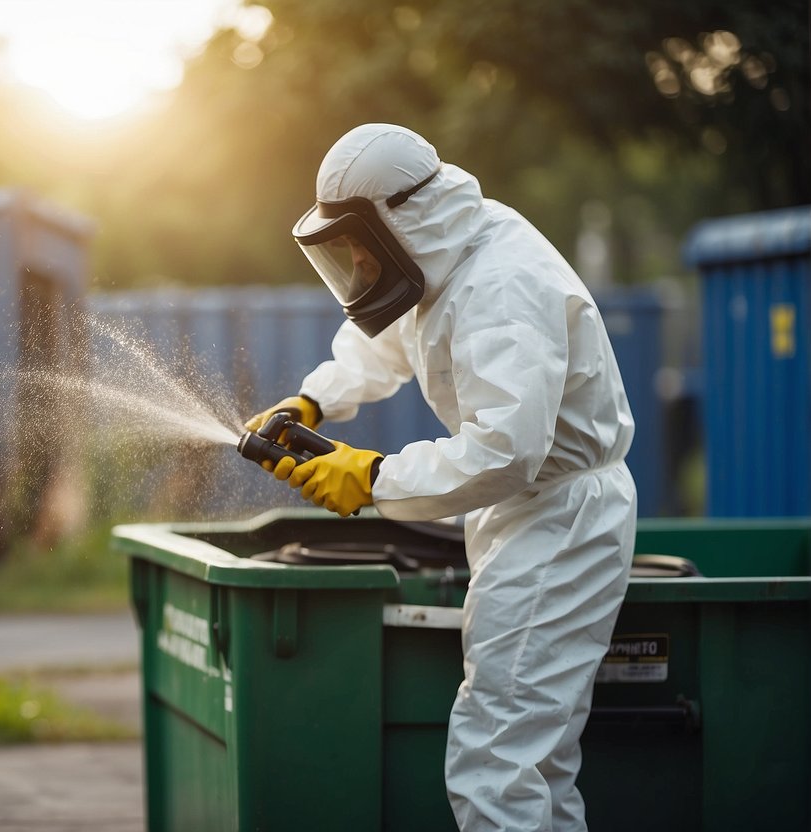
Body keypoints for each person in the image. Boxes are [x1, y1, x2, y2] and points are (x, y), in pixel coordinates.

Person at [245, 123, 637, 832]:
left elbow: (506, 450)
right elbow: (390, 339)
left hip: (555, 515)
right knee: (532, 758)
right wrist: (313, 400)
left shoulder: (501, 283)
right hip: (528, 510)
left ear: (401, 216)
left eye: (360, 239)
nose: (357, 260)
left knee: (495, 755)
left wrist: (372, 478)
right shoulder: (445, 248)